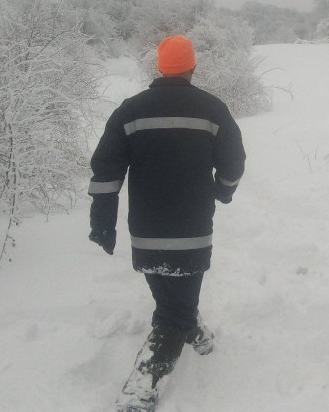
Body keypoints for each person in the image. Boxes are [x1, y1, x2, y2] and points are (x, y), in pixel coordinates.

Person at [88, 35, 246, 412]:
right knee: (173, 310)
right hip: (192, 231)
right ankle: (139, 391)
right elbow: (234, 161)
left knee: (169, 296)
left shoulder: (130, 110)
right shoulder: (212, 109)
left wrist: (103, 220)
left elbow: (106, 169)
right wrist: (222, 191)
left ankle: (195, 331)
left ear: (159, 67)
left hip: (146, 231)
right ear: (193, 67)